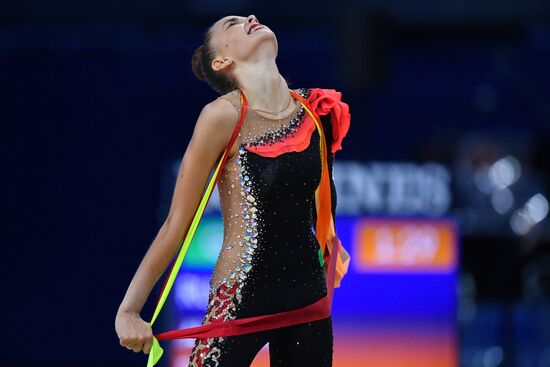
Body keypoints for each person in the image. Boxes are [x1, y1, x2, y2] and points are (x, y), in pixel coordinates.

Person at [115, 14, 351, 367]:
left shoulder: (316, 109)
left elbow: (324, 207)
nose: (251, 18)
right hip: (241, 297)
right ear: (222, 61)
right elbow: (176, 224)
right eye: (233, 23)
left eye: (247, 17)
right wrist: (129, 310)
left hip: (309, 302)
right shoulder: (222, 116)